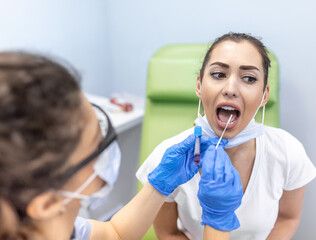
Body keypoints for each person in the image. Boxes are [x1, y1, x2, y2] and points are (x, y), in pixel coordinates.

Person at [0, 51, 243, 240]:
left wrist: (158, 185)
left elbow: (115, 234)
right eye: (97, 151)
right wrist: (217, 220)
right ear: (48, 204)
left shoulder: (56, 228)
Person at [136, 32, 316, 240]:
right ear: (199, 85)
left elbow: (288, 218)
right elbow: (167, 232)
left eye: (249, 78)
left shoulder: (288, 151)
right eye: (218, 74)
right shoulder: (167, 160)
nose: (230, 89)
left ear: (264, 95)